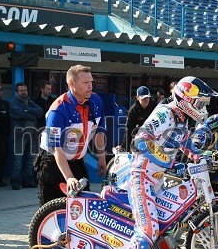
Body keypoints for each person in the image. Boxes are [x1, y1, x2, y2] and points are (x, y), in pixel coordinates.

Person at [118, 76, 218, 249]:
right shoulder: (165, 113)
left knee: (164, 223)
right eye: (199, 102)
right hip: (141, 176)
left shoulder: (182, 119)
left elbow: (184, 143)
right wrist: (169, 162)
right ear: (186, 99)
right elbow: (140, 141)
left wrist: (200, 156)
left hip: (156, 180)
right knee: (147, 229)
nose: (202, 107)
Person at [35, 65, 107, 206]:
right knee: (52, 208)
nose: (90, 86)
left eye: (91, 82)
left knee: (83, 206)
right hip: (53, 162)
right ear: (72, 84)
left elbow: (99, 131)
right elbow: (57, 148)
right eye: (85, 83)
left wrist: (102, 158)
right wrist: (69, 178)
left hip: (77, 161)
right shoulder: (58, 109)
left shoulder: (96, 101)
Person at [10, 82, 43, 190]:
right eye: (21, 91)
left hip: (32, 134)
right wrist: (32, 115)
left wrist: (28, 110)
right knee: (18, 160)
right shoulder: (13, 103)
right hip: (19, 134)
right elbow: (19, 114)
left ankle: (28, 181)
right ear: (17, 92)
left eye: (25, 90)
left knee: (30, 159)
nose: (24, 92)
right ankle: (16, 182)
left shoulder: (30, 102)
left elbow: (40, 111)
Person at [117, 86, 156, 152]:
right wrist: (124, 146)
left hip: (155, 136)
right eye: (143, 98)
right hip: (140, 138)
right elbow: (128, 130)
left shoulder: (155, 107)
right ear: (137, 98)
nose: (146, 100)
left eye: (147, 98)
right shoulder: (133, 111)